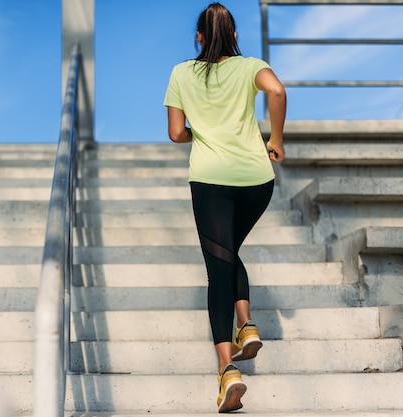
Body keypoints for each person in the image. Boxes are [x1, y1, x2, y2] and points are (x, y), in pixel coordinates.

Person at [163, 2, 286, 413]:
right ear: (234, 34)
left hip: (212, 181)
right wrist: (277, 140)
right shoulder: (252, 64)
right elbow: (277, 91)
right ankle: (246, 325)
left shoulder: (182, 73)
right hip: (257, 180)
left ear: (199, 36)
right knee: (228, 252)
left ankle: (226, 371)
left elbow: (177, 133)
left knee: (219, 267)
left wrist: (204, 129)